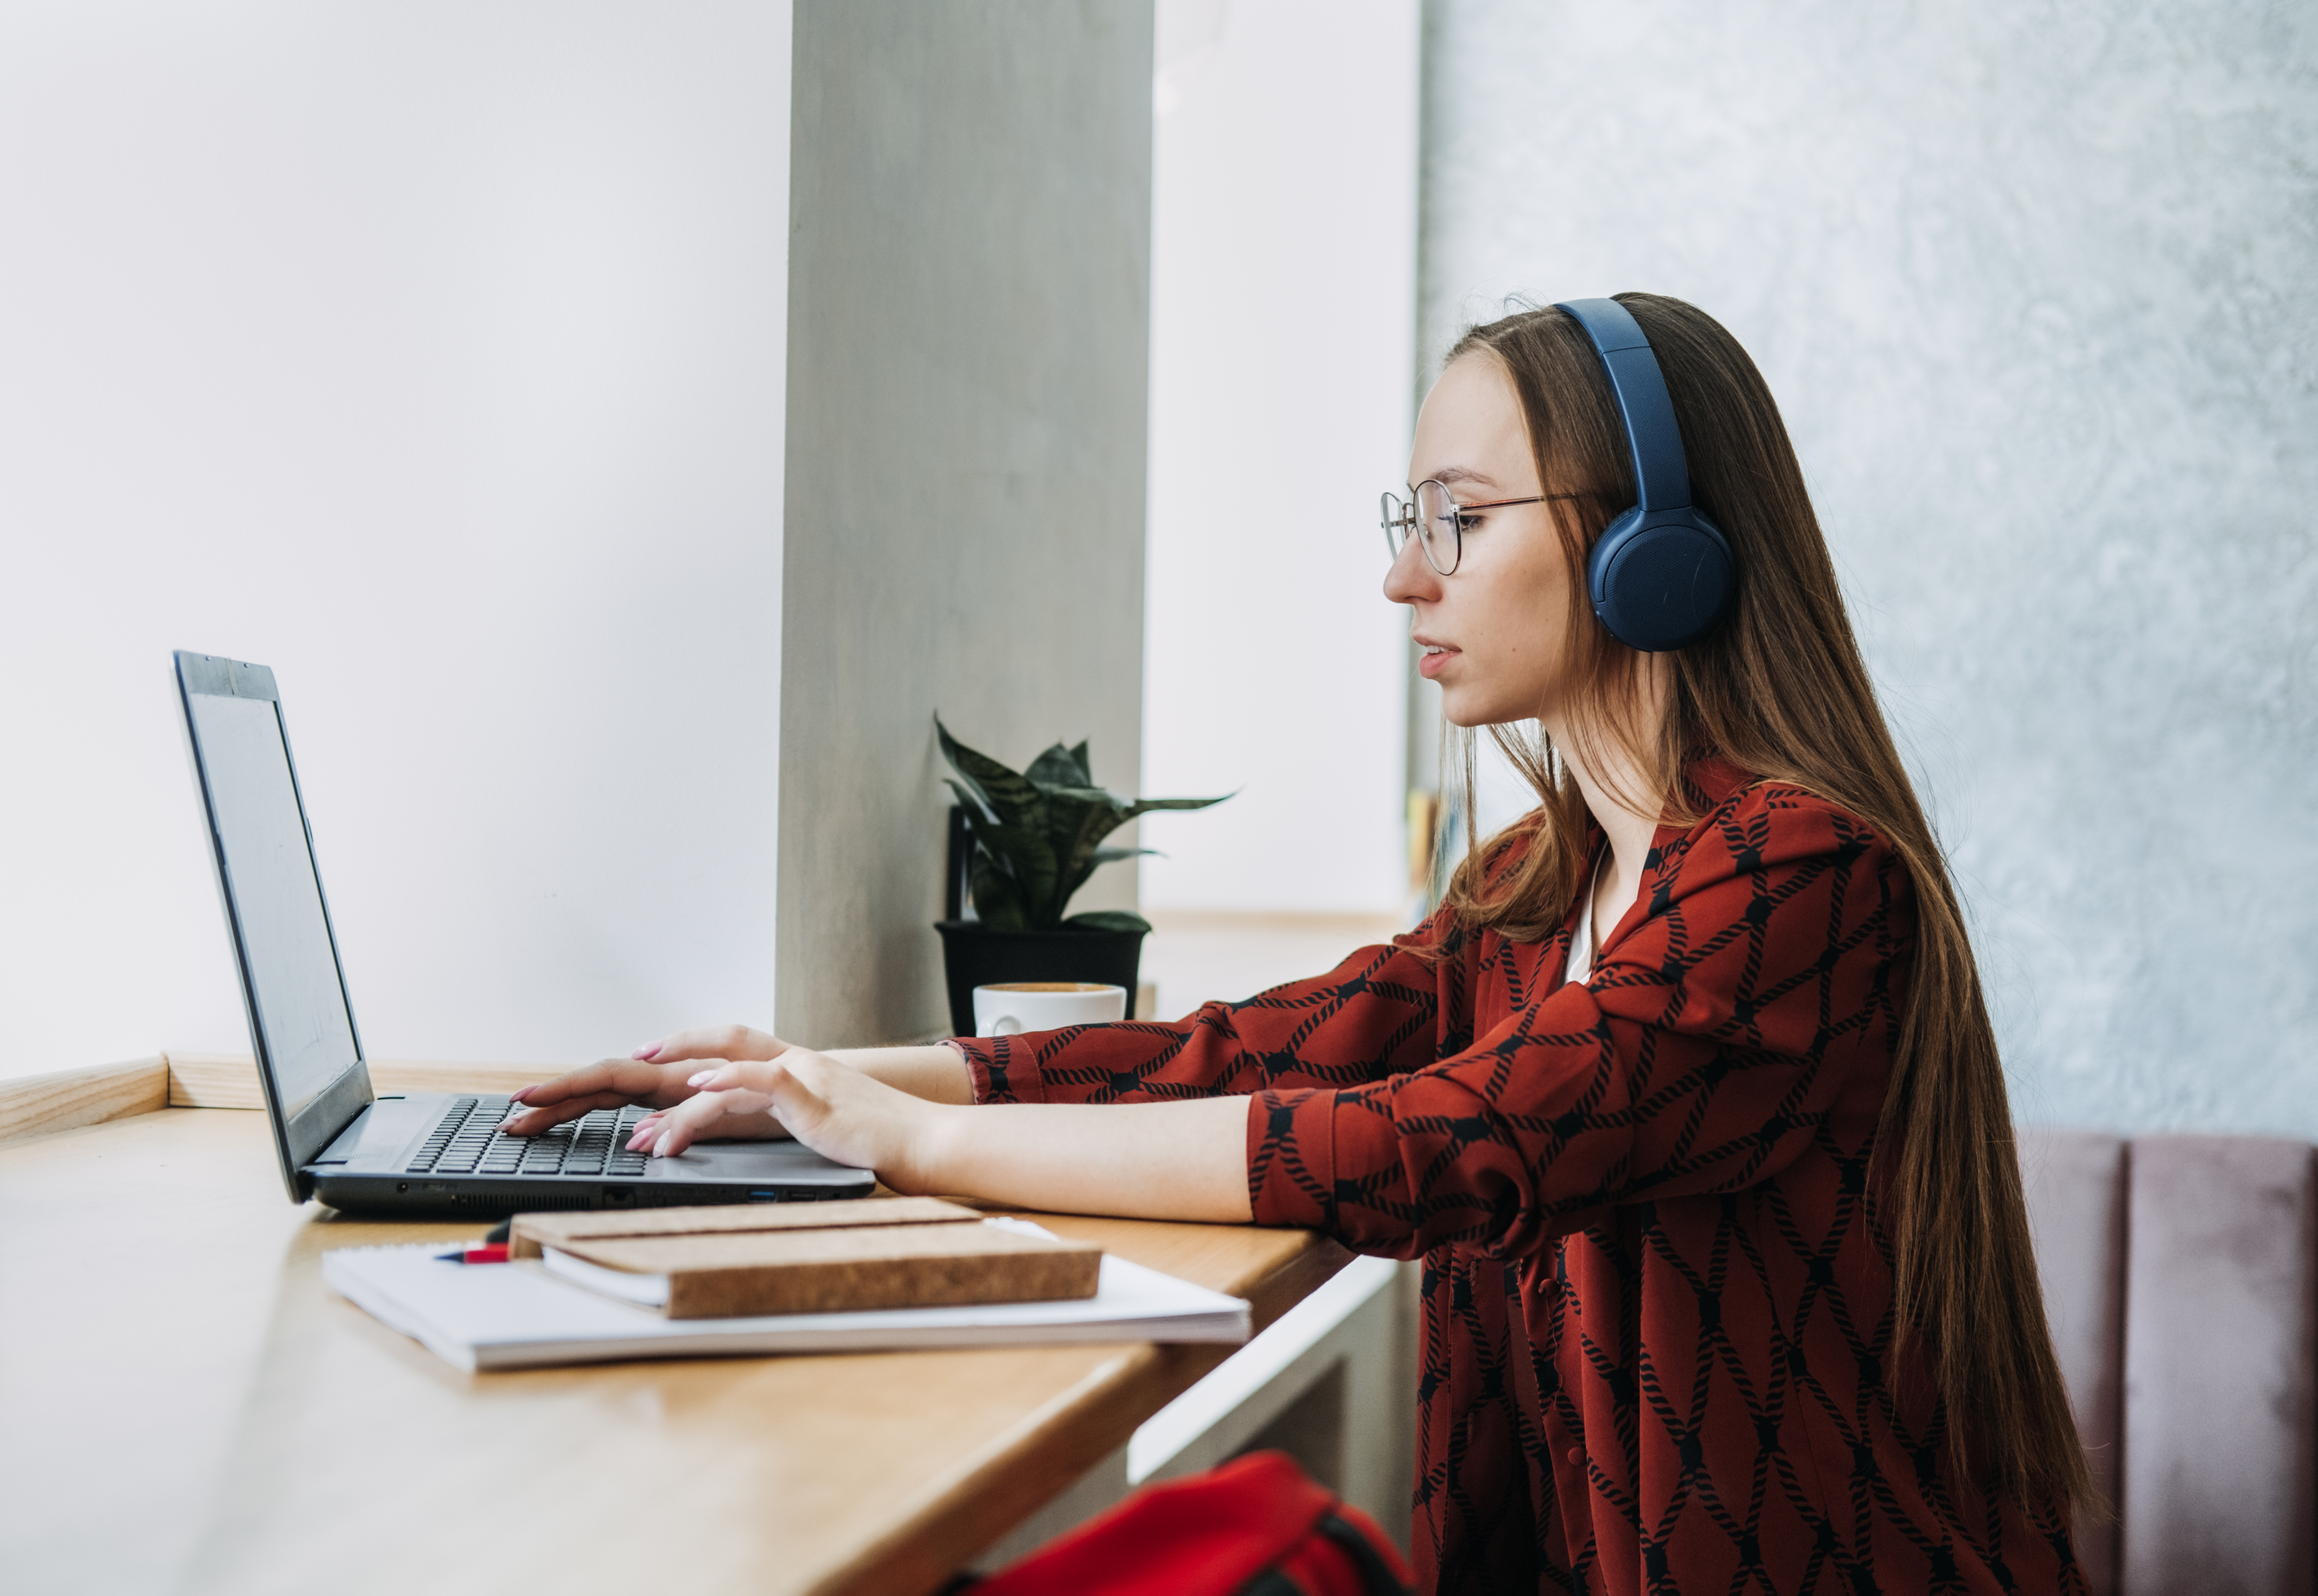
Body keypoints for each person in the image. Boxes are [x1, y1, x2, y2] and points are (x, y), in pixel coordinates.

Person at [509, 295, 2095, 1595]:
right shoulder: (1537, 886)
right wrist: (824, 1072)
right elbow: (1255, 1053)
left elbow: (1446, 1143)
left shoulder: (1801, 878)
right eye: (1412, 520)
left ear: (1650, 552)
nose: (1406, 574)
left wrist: (914, 1145)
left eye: (1458, 522)